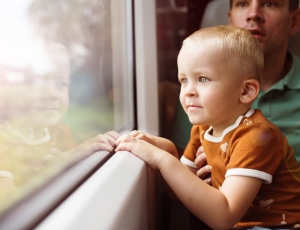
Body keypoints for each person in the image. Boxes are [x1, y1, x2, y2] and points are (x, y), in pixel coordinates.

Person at [116, 26, 300, 229]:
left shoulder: (257, 136)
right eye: (184, 80)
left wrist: (163, 160)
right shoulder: (203, 128)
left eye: (203, 79)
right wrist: (167, 149)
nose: (188, 91)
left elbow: (224, 216)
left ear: (246, 91)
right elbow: (177, 195)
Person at [171, 0, 300, 166]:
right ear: (230, 20)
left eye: (269, 3)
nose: (253, 14)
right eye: (242, 3)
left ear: (294, 21)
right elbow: (178, 186)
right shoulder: (198, 89)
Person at [0, 41, 119, 203]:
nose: (52, 94)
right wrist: (57, 166)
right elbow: (9, 206)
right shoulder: (3, 143)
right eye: (38, 82)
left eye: (60, 84)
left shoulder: (61, 132)